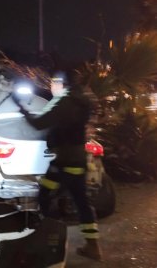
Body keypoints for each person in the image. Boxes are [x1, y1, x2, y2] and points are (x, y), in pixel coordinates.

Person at [14, 70, 103, 261]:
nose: (52, 86)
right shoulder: (83, 100)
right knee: (82, 203)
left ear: (63, 84)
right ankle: (93, 246)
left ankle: (49, 239)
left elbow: (39, 124)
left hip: (64, 162)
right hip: (78, 160)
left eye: (55, 82)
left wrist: (22, 109)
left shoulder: (65, 103)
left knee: (44, 195)